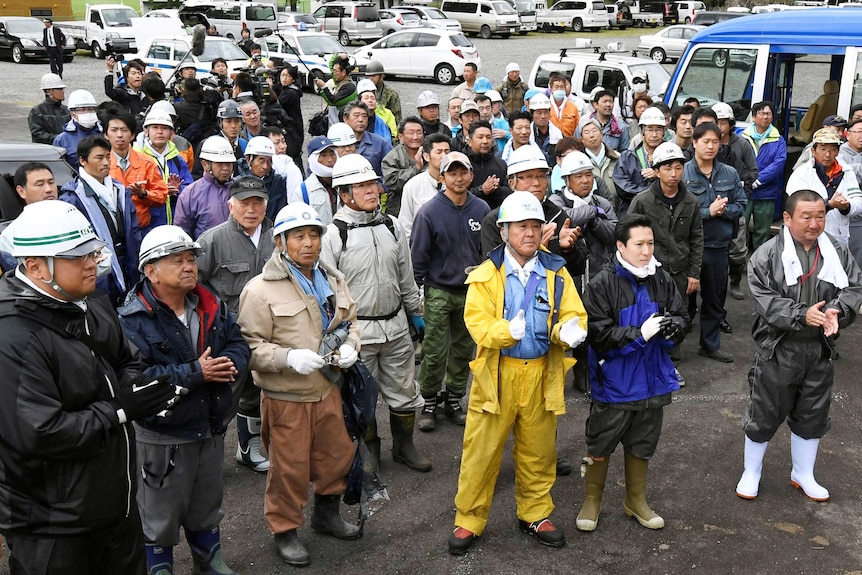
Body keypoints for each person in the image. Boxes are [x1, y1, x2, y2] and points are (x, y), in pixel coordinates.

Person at [0, 201, 181, 575]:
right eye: (76, 256)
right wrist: (119, 409)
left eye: (92, 251)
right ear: (34, 266)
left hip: (116, 505)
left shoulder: (91, 302)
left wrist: (143, 391)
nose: (91, 263)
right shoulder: (12, 335)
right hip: (51, 525)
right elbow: (40, 433)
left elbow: (124, 360)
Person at [447, 192, 588, 555]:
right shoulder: (486, 274)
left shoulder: (557, 271)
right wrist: (505, 332)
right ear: (504, 229)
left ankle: (535, 513)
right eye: (521, 226)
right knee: (481, 451)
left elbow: (572, 313)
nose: (529, 233)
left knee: (539, 452)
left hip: (542, 373)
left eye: (535, 226)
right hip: (498, 375)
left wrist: (567, 331)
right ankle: (469, 519)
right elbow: (476, 322)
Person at [117, 225, 249, 575]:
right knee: (157, 516)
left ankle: (209, 563)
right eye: (177, 261)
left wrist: (229, 363)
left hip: (209, 426)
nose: (189, 266)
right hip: (162, 436)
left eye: (191, 259)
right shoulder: (131, 320)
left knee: (206, 505)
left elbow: (237, 342)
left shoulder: (209, 303)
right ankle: (159, 569)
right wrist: (196, 373)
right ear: (150, 270)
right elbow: (135, 380)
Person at [238, 203, 361, 567]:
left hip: (328, 387)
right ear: (280, 242)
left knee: (336, 456)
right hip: (287, 396)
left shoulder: (333, 278)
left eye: (314, 235)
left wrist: (352, 346)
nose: (308, 243)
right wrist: (287, 358)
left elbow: (350, 321)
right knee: (288, 467)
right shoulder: (260, 290)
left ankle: (326, 516)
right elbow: (249, 346)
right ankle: (285, 530)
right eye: (298, 236)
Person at [736, 189, 862, 502]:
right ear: (788, 218)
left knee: (813, 412)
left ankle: (802, 473)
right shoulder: (765, 255)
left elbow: (854, 287)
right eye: (806, 216)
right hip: (778, 348)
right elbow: (764, 301)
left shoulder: (835, 249)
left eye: (820, 216)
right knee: (764, 410)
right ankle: (752, 471)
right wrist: (801, 315)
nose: (814, 223)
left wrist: (838, 311)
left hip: (820, 347)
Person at [321, 154, 431, 473]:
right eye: (362, 186)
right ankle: (369, 451)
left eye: (373, 183)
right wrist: (336, 336)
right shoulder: (333, 234)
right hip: (358, 335)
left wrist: (416, 312)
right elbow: (330, 294)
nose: (372, 190)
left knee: (405, 391)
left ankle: (404, 447)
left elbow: (405, 276)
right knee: (361, 398)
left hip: (396, 327)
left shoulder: (392, 226)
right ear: (344, 193)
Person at [577, 213, 687, 533]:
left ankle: (635, 500)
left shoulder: (662, 277)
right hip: (615, 383)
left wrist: (672, 329)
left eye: (650, 243)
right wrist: (640, 333)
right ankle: (592, 500)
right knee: (600, 442)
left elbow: (681, 315)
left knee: (643, 443)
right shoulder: (601, 283)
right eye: (639, 244)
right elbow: (597, 336)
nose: (646, 251)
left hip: (652, 382)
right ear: (621, 245)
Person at [196, 176, 274, 472]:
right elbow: (196, 286)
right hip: (226, 335)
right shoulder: (212, 240)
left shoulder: (275, 236)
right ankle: (206, 457)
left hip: (265, 333)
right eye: (244, 203)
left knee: (254, 393)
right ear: (231, 205)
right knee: (222, 397)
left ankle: (248, 448)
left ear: (266, 206)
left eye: (257, 203)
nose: (251, 209)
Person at [411, 152, 490, 432]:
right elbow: (418, 257)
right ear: (442, 177)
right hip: (438, 291)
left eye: (463, 172)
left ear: (471, 175)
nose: (459, 178)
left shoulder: (481, 209)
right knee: (433, 349)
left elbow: (489, 253)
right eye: (452, 173)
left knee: (463, 348)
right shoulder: (429, 212)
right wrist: (416, 299)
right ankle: (429, 401)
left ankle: (454, 399)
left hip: (471, 291)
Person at [628, 142, 702, 382]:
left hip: (679, 272)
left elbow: (697, 237)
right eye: (667, 168)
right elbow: (628, 235)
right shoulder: (642, 201)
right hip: (648, 271)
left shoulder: (690, 201)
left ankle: (670, 366)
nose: (673, 174)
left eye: (678, 168)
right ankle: (644, 366)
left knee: (675, 318)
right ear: (656, 170)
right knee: (646, 316)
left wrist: (694, 273)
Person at [684, 122, 746, 363]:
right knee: (681, 299)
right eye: (706, 141)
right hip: (689, 247)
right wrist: (708, 211)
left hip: (718, 246)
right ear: (695, 143)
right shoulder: (684, 173)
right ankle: (674, 348)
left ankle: (710, 345)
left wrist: (723, 211)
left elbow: (740, 205)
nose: (711, 146)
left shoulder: (729, 173)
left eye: (715, 141)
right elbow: (680, 212)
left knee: (714, 298)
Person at [60, 135, 141, 306]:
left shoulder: (120, 190)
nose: (106, 162)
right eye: (99, 157)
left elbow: (134, 230)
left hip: (127, 263)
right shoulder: (74, 198)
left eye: (107, 157)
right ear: (83, 160)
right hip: (99, 271)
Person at [549, 150, 617, 288]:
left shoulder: (601, 202)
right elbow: (565, 216)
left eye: (588, 175)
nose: (585, 180)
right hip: (569, 276)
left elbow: (615, 233)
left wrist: (594, 221)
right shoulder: (556, 201)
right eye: (578, 176)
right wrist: (592, 211)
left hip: (601, 274)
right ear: (567, 179)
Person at [786, 128, 862, 249]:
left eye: (832, 150)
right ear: (813, 150)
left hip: (838, 238)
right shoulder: (801, 174)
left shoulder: (847, 172)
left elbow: (858, 201)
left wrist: (847, 206)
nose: (827, 154)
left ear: (838, 152)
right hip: (807, 237)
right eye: (822, 149)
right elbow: (797, 207)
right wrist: (829, 204)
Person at [712, 102, 759, 300]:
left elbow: (752, 173)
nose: (720, 127)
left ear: (731, 124)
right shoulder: (704, 144)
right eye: (717, 122)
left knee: (738, 249)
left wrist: (740, 193)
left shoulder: (741, 145)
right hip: (710, 206)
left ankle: (735, 281)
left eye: (723, 123)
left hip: (733, 206)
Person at [103, 107, 169, 233]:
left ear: (132, 135)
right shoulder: (101, 163)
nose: (119, 135)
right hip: (113, 230)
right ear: (106, 134)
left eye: (124, 130)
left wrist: (143, 194)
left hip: (141, 228)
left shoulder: (146, 162)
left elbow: (161, 196)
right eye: (114, 130)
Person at [134, 110, 194, 227]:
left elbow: (190, 188)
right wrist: (161, 191)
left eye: (165, 128)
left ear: (172, 134)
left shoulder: (177, 159)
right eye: (155, 127)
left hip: (176, 223)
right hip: (147, 226)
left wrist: (178, 189)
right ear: (146, 131)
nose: (160, 132)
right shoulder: (136, 158)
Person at [741, 101, 787, 251]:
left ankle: (759, 260)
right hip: (744, 191)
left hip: (766, 192)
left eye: (768, 113)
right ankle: (739, 261)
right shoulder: (742, 137)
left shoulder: (778, 140)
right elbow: (737, 160)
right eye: (761, 113)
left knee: (762, 230)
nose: (765, 117)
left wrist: (759, 180)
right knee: (740, 227)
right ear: (753, 117)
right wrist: (748, 180)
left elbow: (778, 163)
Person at [175, 136, 236, 239]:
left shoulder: (239, 189)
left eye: (228, 163)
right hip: (205, 253)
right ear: (205, 165)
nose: (225, 168)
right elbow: (182, 233)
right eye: (220, 163)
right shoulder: (190, 194)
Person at [613, 107, 666, 215]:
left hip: (662, 214)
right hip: (632, 213)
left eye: (658, 129)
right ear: (642, 132)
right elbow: (623, 188)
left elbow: (677, 183)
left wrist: (660, 174)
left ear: (664, 132)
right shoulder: (627, 157)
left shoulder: (671, 157)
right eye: (650, 129)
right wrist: (651, 194)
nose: (654, 134)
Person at [399, 133, 451, 241]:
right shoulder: (413, 185)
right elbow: (406, 225)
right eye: (439, 152)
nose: (444, 156)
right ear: (427, 156)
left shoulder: (456, 183)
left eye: (447, 152)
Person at [240, 136, 293, 222]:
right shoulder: (237, 183)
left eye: (269, 161)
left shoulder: (279, 183)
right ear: (248, 159)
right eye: (261, 160)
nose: (265, 166)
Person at [382, 116, 425, 217]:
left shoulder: (429, 153)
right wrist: (416, 168)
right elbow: (392, 182)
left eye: (419, 132)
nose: (415, 137)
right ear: (400, 136)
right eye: (411, 133)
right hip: (399, 208)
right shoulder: (392, 157)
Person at [193, 99, 246, 178]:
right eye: (228, 121)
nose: (233, 126)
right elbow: (197, 175)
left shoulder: (243, 144)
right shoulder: (208, 144)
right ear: (220, 122)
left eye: (237, 121)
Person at [466, 121, 512, 211]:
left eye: (488, 137)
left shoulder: (501, 164)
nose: (485, 141)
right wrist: (481, 190)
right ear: (469, 141)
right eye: (480, 137)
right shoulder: (463, 164)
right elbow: (458, 192)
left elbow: (510, 191)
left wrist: (496, 189)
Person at [53, 89, 102, 170]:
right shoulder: (62, 140)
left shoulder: (105, 133)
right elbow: (58, 169)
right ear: (72, 113)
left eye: (91, 109)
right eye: (82, 109)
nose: (88, 113)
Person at [342, 101, 393, 178]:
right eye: (356, 116)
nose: (361, 120)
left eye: (364, 116)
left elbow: (392, 169)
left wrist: (383, 185)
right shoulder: (338, 142)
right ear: (345, 119)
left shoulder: (380, 142)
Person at [580, 117, 620, 207]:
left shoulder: (617, 157)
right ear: (581, 139)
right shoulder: (579, 163)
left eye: (595, 131)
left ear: (601, 134)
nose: (591, 135)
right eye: (586, 132)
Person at [299, 136, 339, 225]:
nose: (330, 160)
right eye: (323, 155)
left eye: (332, 154)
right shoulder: (303, 190)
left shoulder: (344, 182)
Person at [314, 53, 357, 129]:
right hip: (332, 125)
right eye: (333, 71)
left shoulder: (350, 87)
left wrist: (324, 87)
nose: (333, 73)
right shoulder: (340, 81)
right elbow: (331, 65)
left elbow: (333, 101)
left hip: (342, 128)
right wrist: (337, 55)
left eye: (335, 71)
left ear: (343, 72)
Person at [29, 73, 70, 144]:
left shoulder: (67, 110)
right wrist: (59, 139)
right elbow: (38, 135)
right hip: (46, 151)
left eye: (62, 89)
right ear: (48, 91)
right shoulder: (37, 111)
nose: (62, 92)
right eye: (59, 89)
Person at [356, 79, 396, 143]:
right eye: (366, 98)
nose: (370, 100)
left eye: (372, 98)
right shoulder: (353, 118)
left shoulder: (384, 118)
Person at [527, 94, 562, 167]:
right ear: (532, 114)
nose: (543, 116)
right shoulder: (526, 134)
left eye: (546, 112)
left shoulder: (558, 135)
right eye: (539, 113)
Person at [365, 60, 402, 124]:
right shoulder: (364, 91)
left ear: (381, 76)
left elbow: (397, 118)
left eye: (373, 76)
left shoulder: (391, 94)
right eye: (369, 76)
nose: (370, 79)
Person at [548, 73, 580, 138]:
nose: (559, 89)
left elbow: (577, 130)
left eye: (562, 87)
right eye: (556, 87)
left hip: (568, 143)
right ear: (551, 90)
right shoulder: (546, 106)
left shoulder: (573, 107)